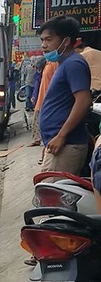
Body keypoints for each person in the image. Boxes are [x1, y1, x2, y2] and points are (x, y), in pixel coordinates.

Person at [37, 16, 93, 176]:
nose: (44, 45)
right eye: (42, 40)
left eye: (49, 39)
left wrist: (61, 136)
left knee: (51, 198)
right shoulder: (63, 64)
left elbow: (83, 100)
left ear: (66, 41)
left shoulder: (73, 64)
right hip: (59, 145)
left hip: (67, 144)